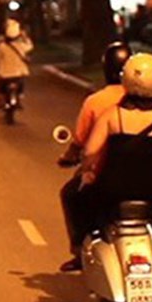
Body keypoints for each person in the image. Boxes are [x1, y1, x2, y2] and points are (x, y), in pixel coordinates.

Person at [79, 53, 152, 248]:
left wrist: (87, 171)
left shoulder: (112, 116)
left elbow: (89, 152)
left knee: (91, 220)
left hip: (112, 192)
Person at [57, 41, 132, 271]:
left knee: (71, 194)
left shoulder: (97, 102)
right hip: (148, 180)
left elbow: (82, 144)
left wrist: (73, 159)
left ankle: (80, 249)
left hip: (105, 176)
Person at [0, 18, 33, 109]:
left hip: (5, 74)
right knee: (21, 84)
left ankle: (0, 100)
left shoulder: (2, 46)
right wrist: (25, 37)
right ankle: (19, 97)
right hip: (18, 73)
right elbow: (30, 46)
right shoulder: (22, 46)